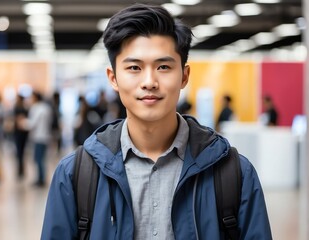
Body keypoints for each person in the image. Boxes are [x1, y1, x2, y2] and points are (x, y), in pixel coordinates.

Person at [41, 4, 272, 240]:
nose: (149, 81)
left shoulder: (234, 174)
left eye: (163, 66)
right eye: (134, 67)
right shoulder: (76, 175)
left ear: (184, 76)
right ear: (113, 78)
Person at [21, 91, 52, 187]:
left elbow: (32, 123)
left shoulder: (36, 108)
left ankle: (40, 179)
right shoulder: (46, 108)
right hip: (46, 136)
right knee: (42, 159)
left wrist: (22, 123)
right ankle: (41, 178)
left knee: (38, 159)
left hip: (38, 137)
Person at [13, 94, 29, 179]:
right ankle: (21, 169)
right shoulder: (25, 108)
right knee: (21, 152)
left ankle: (20, 169)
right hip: (22, 133)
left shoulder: (18, 108)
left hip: (20, 133)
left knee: (20, 152)